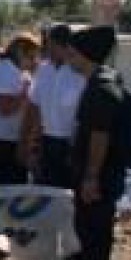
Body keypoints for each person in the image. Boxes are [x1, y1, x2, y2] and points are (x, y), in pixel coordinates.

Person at [62, 25, 129, 260]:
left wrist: (91, 177)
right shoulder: (103, 81)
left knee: (95, 242)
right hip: (97, 177)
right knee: (89, 240)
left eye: (73, 53)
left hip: (99, 180)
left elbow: (99, 136)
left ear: (85, 55)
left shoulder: (101, 88)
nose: (69, 58)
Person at [26, 25, 83, 187]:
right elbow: (36, 109)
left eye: (51, 45)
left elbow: (85, 115)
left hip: (71, 145)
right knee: (43, 192)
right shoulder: (43, 70)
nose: (47, 49)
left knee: (66, 194)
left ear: (64, 46)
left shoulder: (79, 73)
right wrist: (32, 147)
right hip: (46, 143)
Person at [0, 33, 40, 186]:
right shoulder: (6, 72)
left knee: (5, 186)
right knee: (8, 187)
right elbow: (4, 108)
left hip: (2, 137)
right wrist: (26, 93)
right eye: (31, 57)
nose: (33, 62)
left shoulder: (6, 69)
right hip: (4, 139)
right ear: (20, 52)